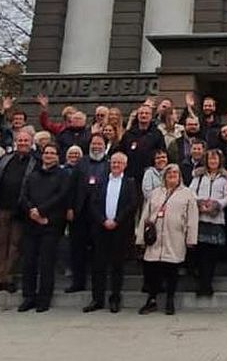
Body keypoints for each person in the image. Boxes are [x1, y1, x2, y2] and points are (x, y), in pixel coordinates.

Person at [137, 163, 199, 315]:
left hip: (175, 238)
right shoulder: (155, 193)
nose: (172, 176)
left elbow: (192, 218)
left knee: (171, 270)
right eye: (169, 174)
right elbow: (145, 215)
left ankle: (170, 300)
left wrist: (191, 239)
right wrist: (140, 238)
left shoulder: (187, 194)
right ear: (164, 176)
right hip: (155, 239)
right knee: (152, 270)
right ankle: (151, 299)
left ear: (179, 177)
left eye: (175, 174)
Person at [18, 142, 72, 312]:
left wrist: (41, 211)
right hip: (31, 223)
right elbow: (24, 196)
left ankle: (44, 299)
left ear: (57, 156)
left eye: (52, 153)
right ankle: (29, 297)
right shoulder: (33, 175)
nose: (48, 155)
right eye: (46, 152)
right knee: (29, 262)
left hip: (50, 223)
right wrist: (32, 211)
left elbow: (61, 196)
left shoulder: (63, 175)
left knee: (46, 263)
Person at [83, 151, 139, 313]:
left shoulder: (130, 183)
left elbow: (132, 205)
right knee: (98, 266)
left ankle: (115, 299)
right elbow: (92, 204)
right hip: (100, 229)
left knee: (117, 266)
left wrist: (117, 221)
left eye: (119, 163)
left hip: (120, 230)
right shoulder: (100, 181)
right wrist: (103, 220)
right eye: (113, 162)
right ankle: (97, 299)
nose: (115, 165)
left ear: (125, 165)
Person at [0, 129, 35, 294]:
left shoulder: (35, 161)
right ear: (15, 142)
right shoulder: (6, 159)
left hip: (20, 209)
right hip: (2, 207)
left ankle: (8, 277)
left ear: (31, 143)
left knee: (15, 244)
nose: (23, 143)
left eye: (26, 141)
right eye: (20, 141)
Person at [65, 134, 109, 295]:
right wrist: (69, 208)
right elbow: (71, 186)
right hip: (80, 211)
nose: (96, 147)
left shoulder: (110, 163)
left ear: (105, 146)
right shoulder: (81, 163)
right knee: (77, 248)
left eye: (99, 144)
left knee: (98, 250)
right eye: (94, 144)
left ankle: (99, 285)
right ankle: (78, 282)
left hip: (100, 214)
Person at [190, 148, 227, 297]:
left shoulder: (225, 179)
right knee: (200, 254)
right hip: (201, 219)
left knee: (211, 255)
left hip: (216, 219)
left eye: (215, 159)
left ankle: (208, 284)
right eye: (210, 159)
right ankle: (202, 284)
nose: (213, 161)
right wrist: (200, 203)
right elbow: (191, 191)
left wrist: (217, 205)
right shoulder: (199, 176)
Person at [122, 103, 165, 183]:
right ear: (137, 116)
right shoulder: (129, 134)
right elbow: (122, 152)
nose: (144, 115)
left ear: (151, 116)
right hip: (131, 175)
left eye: (146, 113)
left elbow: (161, 152)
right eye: (141, 113)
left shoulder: (157, 134)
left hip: (151, 174)